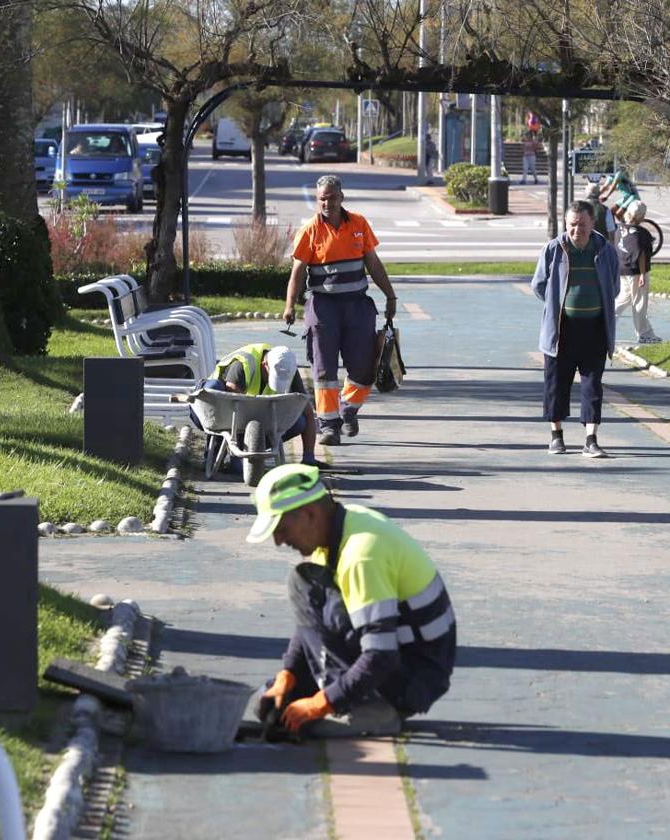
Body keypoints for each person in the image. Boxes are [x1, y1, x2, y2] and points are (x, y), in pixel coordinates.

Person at [247, 464, 456, 737]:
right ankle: (344, 693)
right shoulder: (336, 529)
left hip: (413, 677)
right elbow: (311, 623)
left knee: (304, 583)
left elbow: (381, 653)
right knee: (266, 702)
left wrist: (323, 703)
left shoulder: (361, 555)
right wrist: (288, 675)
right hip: (395, 660)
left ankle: (369, 706)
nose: (278, 540)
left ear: (309, 514)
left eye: (282, 528)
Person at [284, 175, 398, 447]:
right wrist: (290, 304)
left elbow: (373, 262)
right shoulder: (310, 230)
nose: (327, 202)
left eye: (332, 197)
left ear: (341, 197)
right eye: (322, 198)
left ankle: (347, 408)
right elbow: (297, 271)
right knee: (324, 371)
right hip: (323, 309)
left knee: (365, 369)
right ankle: (329, 426)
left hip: (358, 306)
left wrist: (390, 295)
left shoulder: (358, 224)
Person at [532, 200, 621, 458]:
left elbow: (613, 287)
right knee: (556, 384)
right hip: (562, 330)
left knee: (593, 386)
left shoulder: (605, 250)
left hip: (594, 329)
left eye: (582, 224)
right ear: (566, 224)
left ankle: (591, 439)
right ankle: (556, 436)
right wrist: (557, 304)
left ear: (593, 223)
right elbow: (539, 285)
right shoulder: (553, 249)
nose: (577, 230)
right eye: (572, 225)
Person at [190, 343, 322, 467]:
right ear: (265, 365)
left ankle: (248, 453)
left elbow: (307, 411)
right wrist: (238, 456)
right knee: (215, 388)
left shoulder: (288, 369)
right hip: (212, 413)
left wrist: (308, 456)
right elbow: (233, 407)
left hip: (254, 418)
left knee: (299, 422)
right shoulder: (244, 364)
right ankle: (216, 455)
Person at [613, 203, 661, 344]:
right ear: (641, 216)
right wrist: (642, 274)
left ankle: (605, 325)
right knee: (639, 302)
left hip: (623, 270)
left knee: (623, 300)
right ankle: (644, 333)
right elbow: (641, 254)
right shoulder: (639, 233)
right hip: (636, 271)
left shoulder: (620, 229)